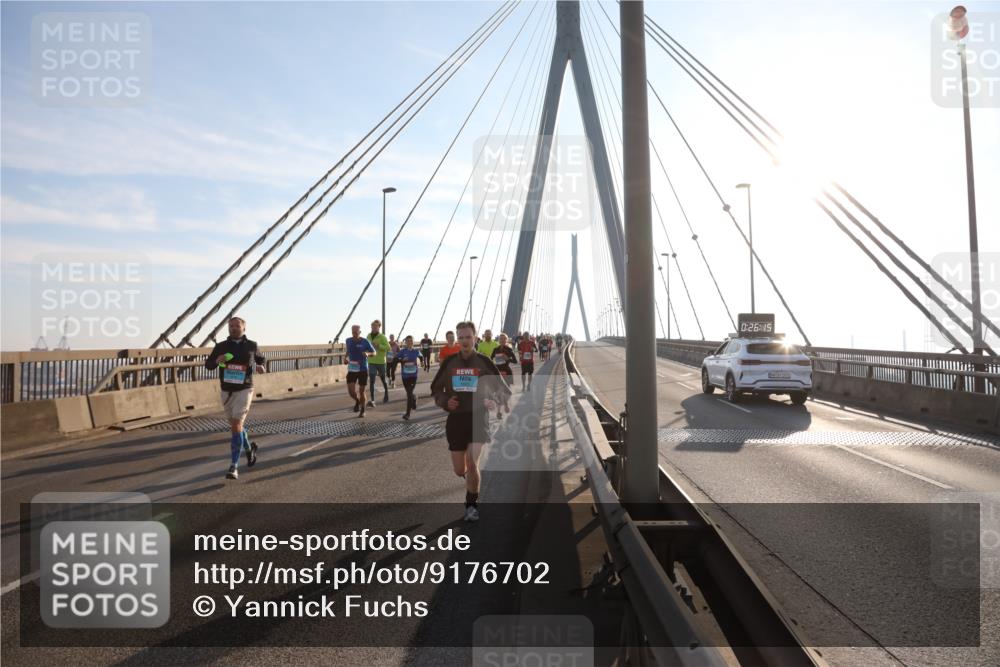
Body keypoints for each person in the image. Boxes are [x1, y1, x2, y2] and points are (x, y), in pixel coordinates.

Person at [431, 321, 510, 522]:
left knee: (472, 463)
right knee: (460, 469)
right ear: (457, 339)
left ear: (475, 338)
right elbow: (435, 389)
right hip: (456, 420)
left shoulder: (484, 362)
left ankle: (471, 505)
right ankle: (470, 481)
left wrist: (493, 400)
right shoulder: (450, 363)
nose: (465, 341)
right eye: (461, 337)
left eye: (468, 337)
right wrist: (446, 402)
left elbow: (503, 390)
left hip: (478, 418)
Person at [205, 317, 265, 480]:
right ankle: (249, 450)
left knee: (237, 424)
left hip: (245, 388)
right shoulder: (221, 346)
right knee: (236, 427)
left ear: (244, 328)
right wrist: (217, 360)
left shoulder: (252, 345)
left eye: (236, 326)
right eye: (230, 326)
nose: (233, 328)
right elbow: (208, 365)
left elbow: (261, 359)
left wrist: (260, 366)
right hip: (227, 390)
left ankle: (234, 466)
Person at [345, 324, 375, 417]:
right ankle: (357, 401)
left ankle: (363, 410)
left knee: (362, 391)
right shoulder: (348, 340)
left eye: (356, 332)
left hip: (362, 369)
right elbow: (348, 350)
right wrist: (345, 357)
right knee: (351, 391)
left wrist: (368, 354)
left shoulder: (365, 341)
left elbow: (374, 352)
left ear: (360, 332)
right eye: (352, 332)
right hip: (352, 368)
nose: (354, 333)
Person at [491, 333, 517, 419]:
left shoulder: (509, 349)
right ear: (498, 340)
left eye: (503, 339)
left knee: (506, 392)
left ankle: (505, 405)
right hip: (498, 372)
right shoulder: (495, 349)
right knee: (499, 392)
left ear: (506, 340)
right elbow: (490, 360)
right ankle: (500, 411)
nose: (502, 340)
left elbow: (515, 361)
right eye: (500, 339)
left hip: (506, 372)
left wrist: (507, 359)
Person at [395, 335, 422, 419]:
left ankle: (408, 414)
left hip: (413, 375)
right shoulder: (403, 351)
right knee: (409, 393)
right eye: (408, 341)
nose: (410, 342)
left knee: (409, 393)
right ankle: (414, 398)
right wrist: (401, 360)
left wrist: (422, 362)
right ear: (406, 342)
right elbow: (395, 358)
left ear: (413, 342)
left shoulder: (416, 351)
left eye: (411, 340)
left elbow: (421, 357)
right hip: (405, 375)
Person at [367, 320, 391, 406]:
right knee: (372, 381)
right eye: (373, 326)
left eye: (376, 326)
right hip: (371, 361)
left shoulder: (382, 337)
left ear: (379, 327)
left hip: (381, 361)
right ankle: (373, 400)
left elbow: (388, 348)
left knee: (383, 379)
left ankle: (386, 394)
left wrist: (378, 346)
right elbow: (366, 346)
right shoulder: (368, 336)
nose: (374, 327)